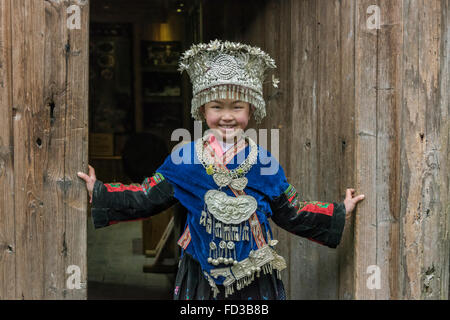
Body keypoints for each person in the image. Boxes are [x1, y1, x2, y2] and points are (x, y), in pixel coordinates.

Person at [78, 39, 365, 300]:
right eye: (217, 106)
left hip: (255, 278)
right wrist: (101, 192)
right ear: (203, 110)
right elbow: (147, 196)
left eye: (237, 107)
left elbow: (291, 210)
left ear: (251, 110)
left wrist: (338, 212)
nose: (227, 116)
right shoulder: (185, 159)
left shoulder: (264, 163)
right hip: (202, 277)